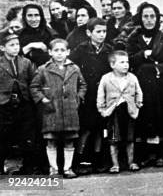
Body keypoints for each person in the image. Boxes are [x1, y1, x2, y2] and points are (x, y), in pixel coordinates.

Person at [126, 2, 163, 167]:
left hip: (160, 85)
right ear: (140, 19)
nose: (149, 20)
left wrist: (157, 68)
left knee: (161, 118)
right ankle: (145, 155)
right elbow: (128, 59)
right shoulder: (133, 38)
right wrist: (142, 54)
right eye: (145, 16)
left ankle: (160, 154)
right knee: (143, 118)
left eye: (152, 16)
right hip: (140, 85)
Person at [30, 38, 87, 178]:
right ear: (50, 52)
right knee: (51, 139)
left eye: (63, 50)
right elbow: (34, 87)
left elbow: (83, 85)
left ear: (68, 52)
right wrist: (43, 99)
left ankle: (68, 169)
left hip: (69, 110)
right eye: (56, 50)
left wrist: (78, 98)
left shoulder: (74, 68)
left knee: (69, 139)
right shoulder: (43, 69)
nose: (59, 53)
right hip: (52, 110)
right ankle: (53, 169)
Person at [70, 18, 112, 174]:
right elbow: (72, 68)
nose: (102, 35)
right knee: (85, 129)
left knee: (101, 129)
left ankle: (98, 159)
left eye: (104, 31)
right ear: (89, 33)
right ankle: (80, 160)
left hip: (103, 95)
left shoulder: (108, 50)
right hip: (87, 95)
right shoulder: (80, 49)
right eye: (98, 32)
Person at [97, 50, 142, 173]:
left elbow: (139, 92)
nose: (126, 65)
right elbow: (101, 94)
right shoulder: (106, 78)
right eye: (122, 62)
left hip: (129, 111)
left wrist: (138, 105)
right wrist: (102, 109)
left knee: (130, 138)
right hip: (113, 112)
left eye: (127, 62)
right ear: (112, 64)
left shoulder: (132, 77)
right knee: (113, 139)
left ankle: (131, 162)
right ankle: (115, 164)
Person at [0, 31, 37, 175]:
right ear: (2, 48)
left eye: (17, 45)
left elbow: (33, 80)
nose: (16, 48)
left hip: (24, 103)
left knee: (26, 135)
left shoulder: (25, 62)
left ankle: (27, 167)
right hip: (4, 105)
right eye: (11, 45)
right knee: (3, 136)